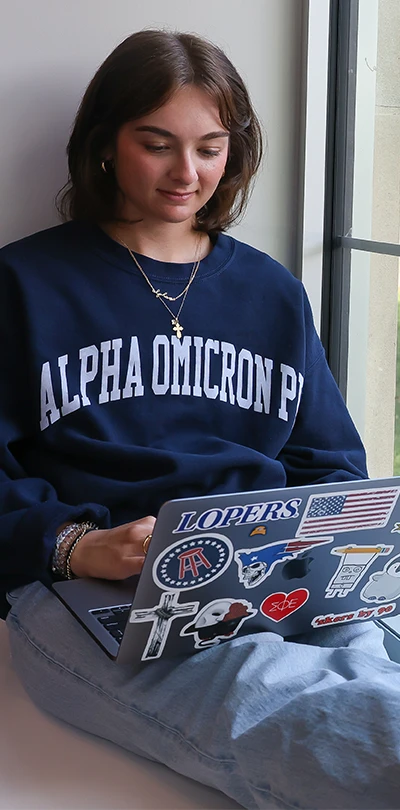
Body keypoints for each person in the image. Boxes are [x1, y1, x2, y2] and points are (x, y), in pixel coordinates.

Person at [1, 28, 400, 810]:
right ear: (106, 145)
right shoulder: (23, 284)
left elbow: (331, 466)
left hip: (274, 576)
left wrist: (309, 546)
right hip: (95, 591)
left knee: (376, 661)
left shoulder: (272, 292)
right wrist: (76, 544)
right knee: (314, 717)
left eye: (211, 148)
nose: (189, 174)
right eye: (157, 144)